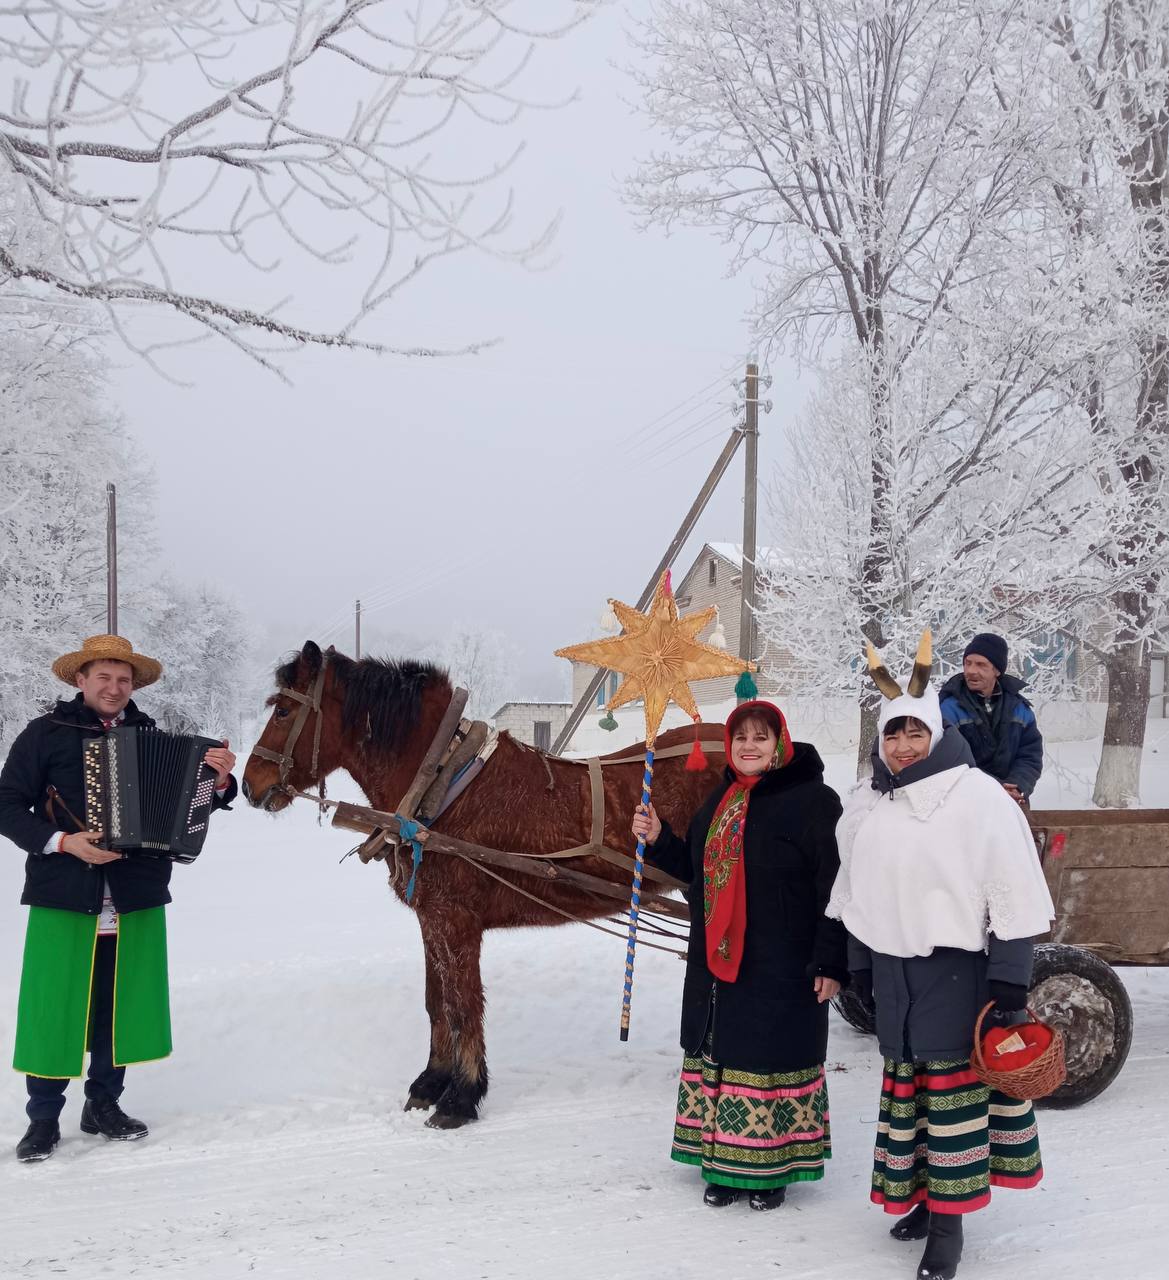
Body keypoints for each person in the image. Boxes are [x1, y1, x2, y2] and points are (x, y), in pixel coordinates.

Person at [827, 636, 1055, 1280]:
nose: (902, 746)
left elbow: (1012, 892)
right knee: (913, 1102)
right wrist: (861, 969)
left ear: (935, 732)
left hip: (959, 978)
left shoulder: (978, 799)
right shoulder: (872, 804)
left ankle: (948, 1232)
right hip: (896, 980)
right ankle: (927, 1204)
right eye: (892, 734)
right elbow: (857, 892)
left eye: (914, 733)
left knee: (953, 1106)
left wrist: (1010, 984)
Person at [0, 634, 237, 1163]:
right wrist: (64, 842)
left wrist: (219, 783)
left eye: (123, 679)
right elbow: (6, 805)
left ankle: (103, 1105)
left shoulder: (151, 735)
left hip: (136, 895)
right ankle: (43, 1118)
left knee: (120, 1004)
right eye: (103, 677)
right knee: (54, 1004)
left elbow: (188, 808)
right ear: (80, 680)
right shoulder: (45, 734)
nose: (114, 687)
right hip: (63, 892)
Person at [630, 700, 848, 1211]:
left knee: (769, 1057)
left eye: (760, 737)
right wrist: (659, 838)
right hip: (721, 959)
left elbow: (837, 888)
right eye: (741, 738)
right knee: (726, 1056)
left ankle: (770, 1171)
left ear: (780, 743)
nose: (749, 746)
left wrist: (831, 961)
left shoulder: (815, 802)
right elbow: (696, 870)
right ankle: (725, 1166)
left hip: (784, 961)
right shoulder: (722, 798)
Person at [939, 633, 1043, 805]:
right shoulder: (948, 709)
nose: (971, 671)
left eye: (981, 665)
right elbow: (951, 761)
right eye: (968, 663)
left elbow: (1030, 756)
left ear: (997, 671)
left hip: (1013, 802)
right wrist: (996, 789)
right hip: (965, 803)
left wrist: (1017, 786)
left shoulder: (1020, 709)